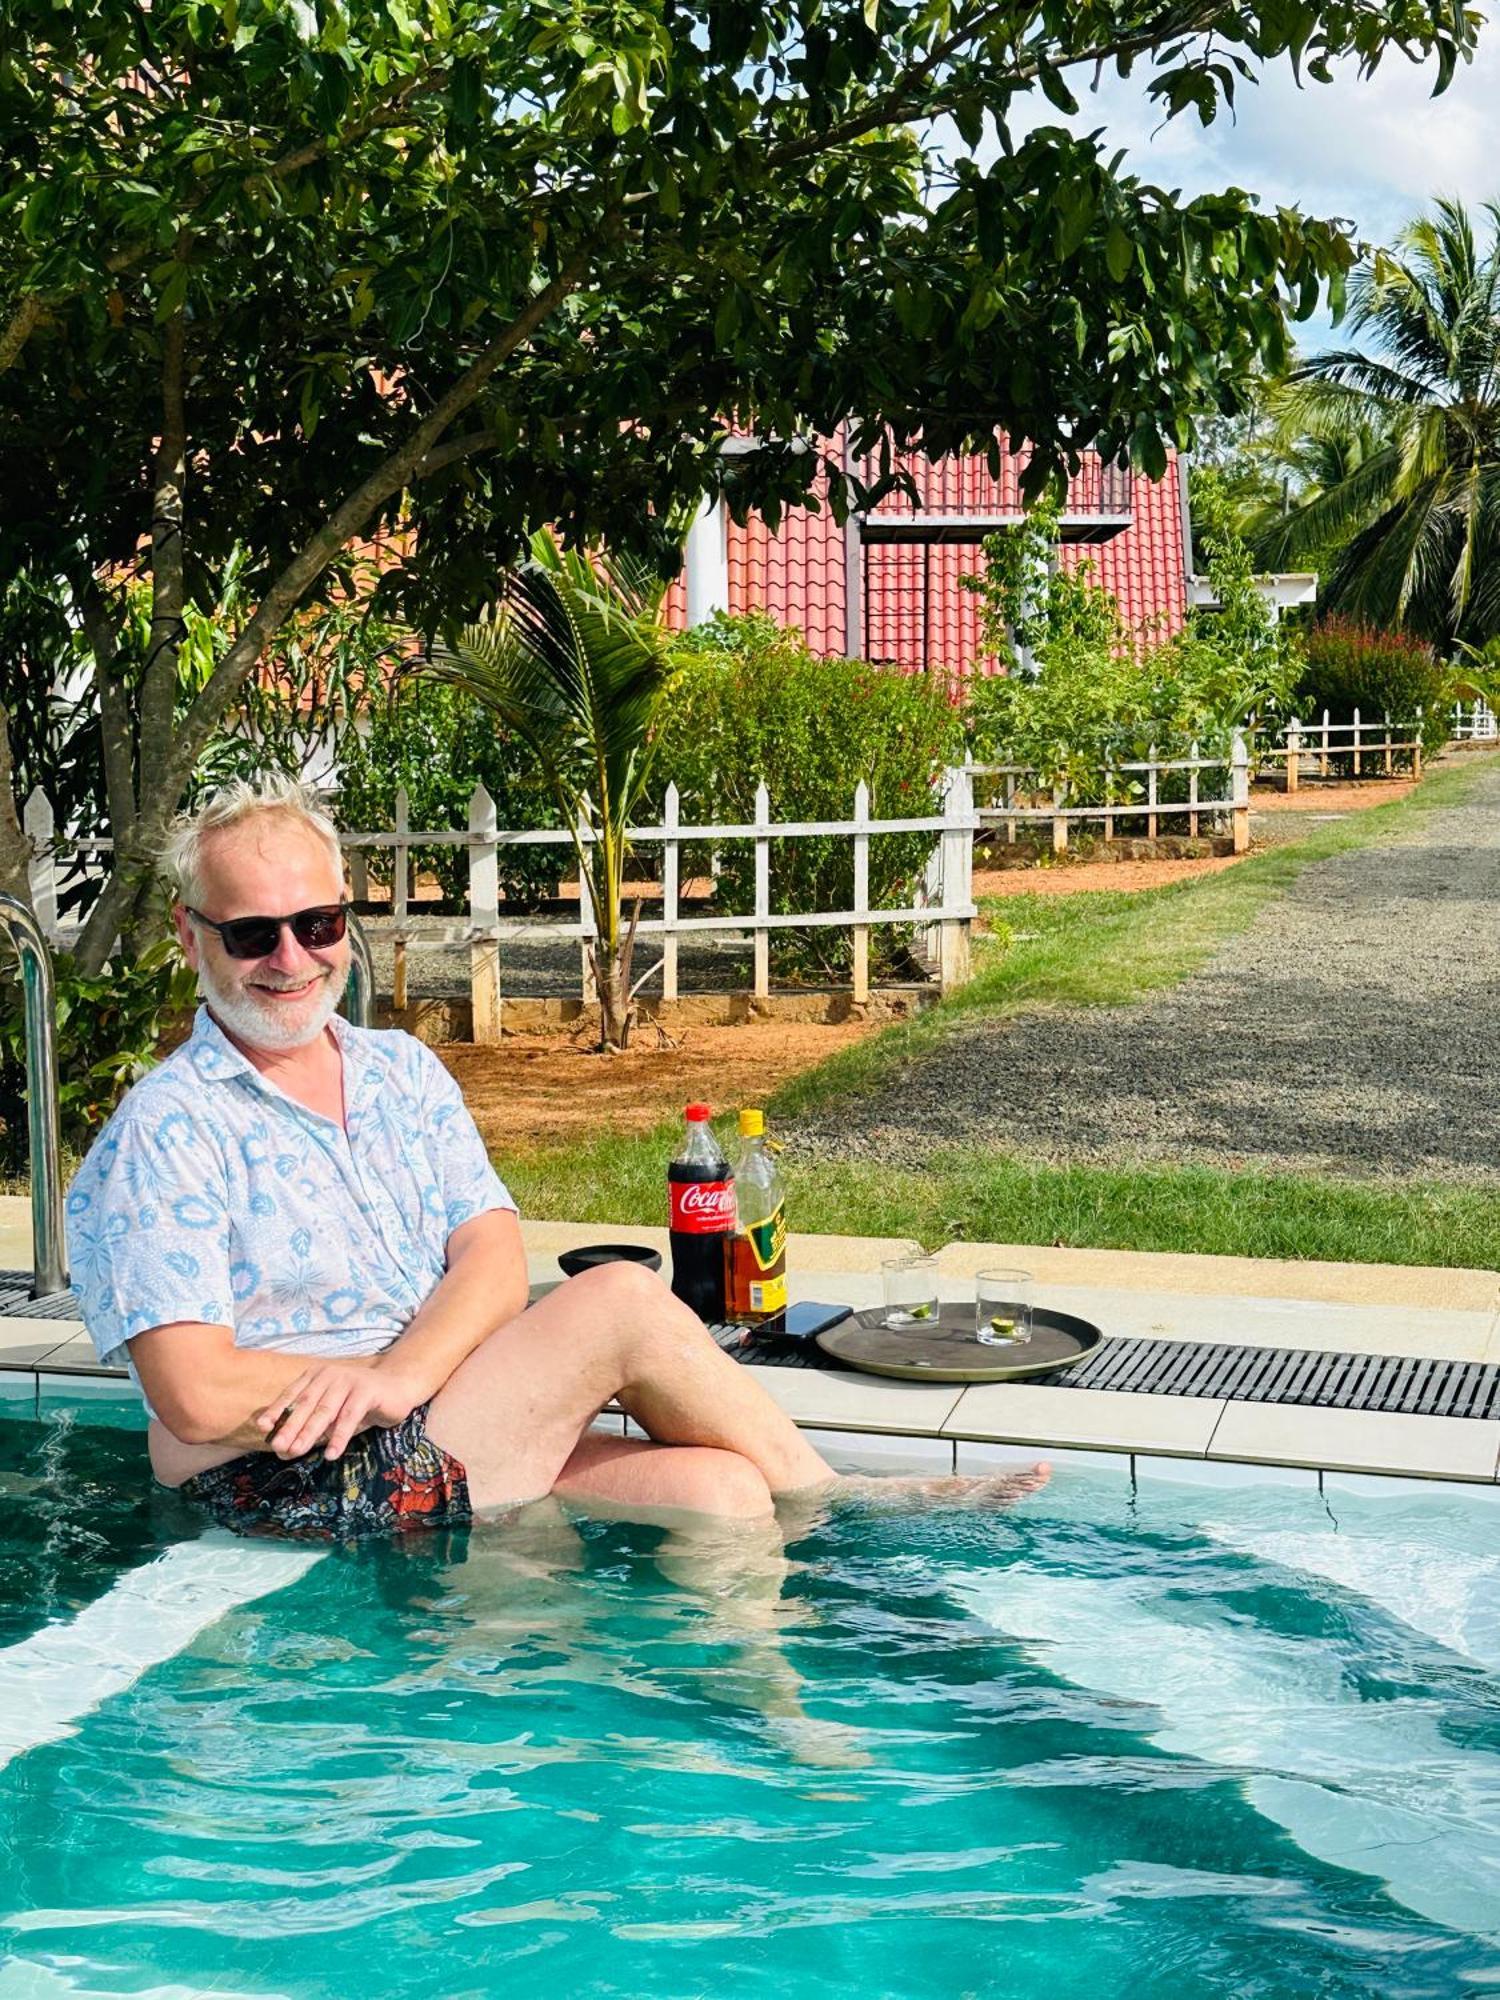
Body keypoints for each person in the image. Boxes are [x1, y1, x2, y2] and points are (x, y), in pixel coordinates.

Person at [66, 776, 1045, 1541]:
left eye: (317, 923)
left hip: (438, 1417)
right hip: (283, 1481)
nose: (291, 956)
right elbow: (192, 1395)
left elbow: (491, 1255)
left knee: (724, 1491)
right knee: (615, 1299)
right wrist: (384, 1383)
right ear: (191, 937)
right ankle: (846, 1500)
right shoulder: (167, 1130)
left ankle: (769, 1742)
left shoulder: (400, 1070)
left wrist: (409, 1374)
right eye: (252, 933)